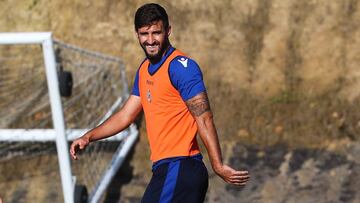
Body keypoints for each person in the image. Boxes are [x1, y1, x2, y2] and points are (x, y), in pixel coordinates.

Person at [70, 3, 249, 202]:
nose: (150, 40)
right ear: (137, 34)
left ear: (168, 31)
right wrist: (89, 137)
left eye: (156, 32)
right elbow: (126, 115)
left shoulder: (182, 67)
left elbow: (204, 118)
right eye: (144, 33)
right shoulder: (144, 69)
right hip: (165, 169)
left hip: (181, 166)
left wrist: (218, 165)